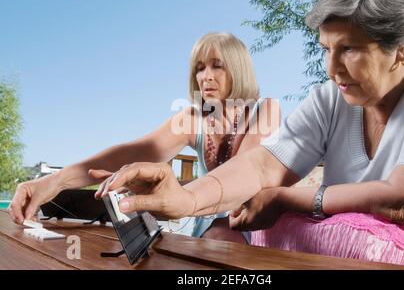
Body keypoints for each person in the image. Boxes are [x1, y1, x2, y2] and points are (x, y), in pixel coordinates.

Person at [73, 0, 404, 269]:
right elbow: (262, 165)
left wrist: (290, 197)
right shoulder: (330, 98)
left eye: (348, 49)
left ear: (403, 48)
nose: (332, 68)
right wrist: (185, 200)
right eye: (326, 49)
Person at [8, 32, 280, 243]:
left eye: (216, 66)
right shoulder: (193, 118)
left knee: (218, 239)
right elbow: (132, 152)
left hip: (250, 218)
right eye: (199, 68)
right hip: (204, 219)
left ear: (238, 69)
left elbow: (242, 181)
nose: (205, 77)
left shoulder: (266, 110)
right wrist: (54, 181)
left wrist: (174, 193)